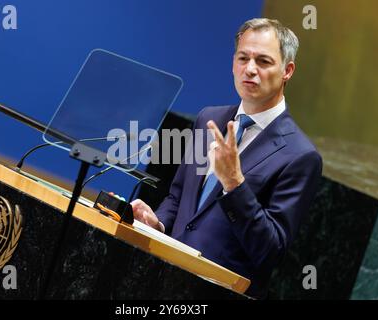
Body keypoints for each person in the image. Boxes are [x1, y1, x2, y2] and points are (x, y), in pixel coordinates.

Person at [131, 18, 322, 299]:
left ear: (287, 71)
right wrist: (156, 223)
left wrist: (235, 184)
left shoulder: (300, 156)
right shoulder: (209, 118)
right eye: (243, 58)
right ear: (233, 63)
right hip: (161, 279)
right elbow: (179, 196)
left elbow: (270, 250)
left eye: (264, 61)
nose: (250, 69)